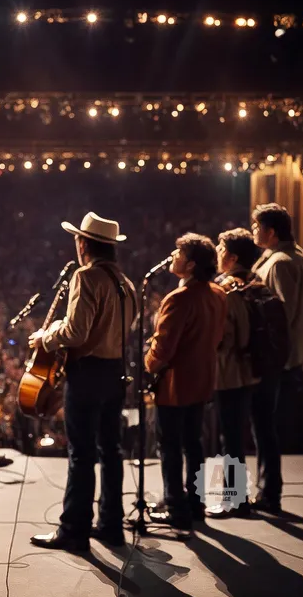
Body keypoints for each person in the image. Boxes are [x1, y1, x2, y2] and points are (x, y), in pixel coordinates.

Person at [28, 212, 137, 552]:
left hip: (88, 373)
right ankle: (111, 525)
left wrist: (46, 337)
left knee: (82, 453)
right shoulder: (126, 283)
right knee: (111, 450)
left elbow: (76, 332)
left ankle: (74, 530)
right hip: (115, 371)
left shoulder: (87, 277)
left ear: (84, 243)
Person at [145, 234, 227, 530]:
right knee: (194, 443)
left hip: (175, 383)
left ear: (190, 265)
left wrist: (148, 362)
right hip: (203, 379)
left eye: (178, 253)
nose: (172, 255)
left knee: (169, 445)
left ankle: (175, 506)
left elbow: (163, 349)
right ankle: (195, 503)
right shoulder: (218, 294)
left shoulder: (178, 299)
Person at [250, 203, 303, 512]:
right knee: (268, 425)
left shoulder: (278, 264)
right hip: (294, 355)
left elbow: (278, 318)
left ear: (271, 232)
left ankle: (268, 492)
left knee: (263, 427)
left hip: (275, 359)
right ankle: (266, 490)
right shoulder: (301, 259)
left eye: (256, 226)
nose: (253, 231)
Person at [207, 228, 262, 519]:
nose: (217, 251)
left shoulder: (227, 288)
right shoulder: (256, 282)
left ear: (232, 256)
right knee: (235, 435)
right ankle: (236, 497)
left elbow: (226, 335)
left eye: (220, 247)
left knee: (229, 436)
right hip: (249, 369)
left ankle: (232, 499)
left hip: (228, 369)